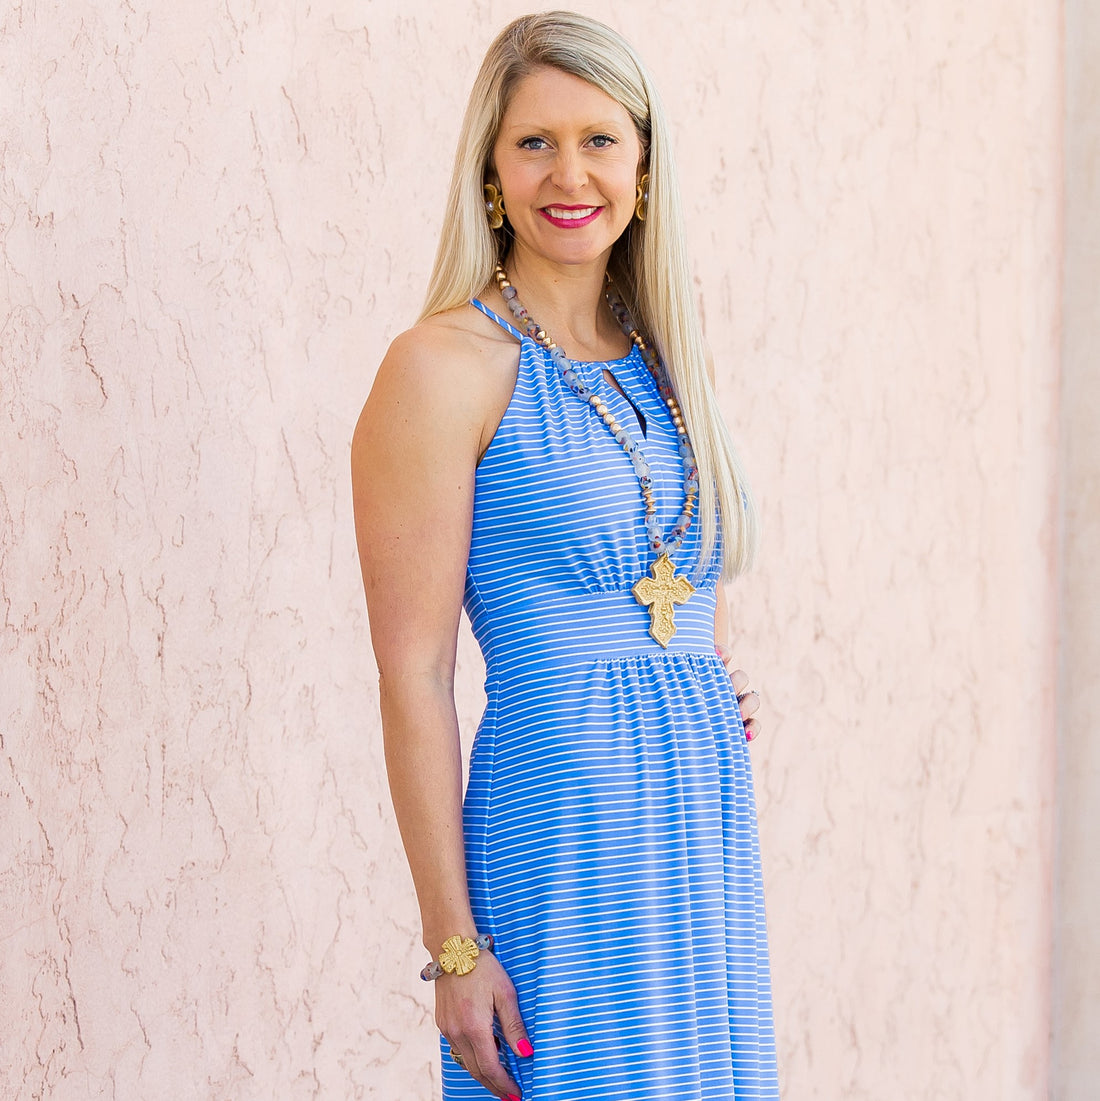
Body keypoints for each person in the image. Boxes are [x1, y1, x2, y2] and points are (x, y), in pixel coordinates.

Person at [352, 11, 778, 1100]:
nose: (568, 173)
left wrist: (701, 675)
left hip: (695, 823)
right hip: (563, 820)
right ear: (489, 168)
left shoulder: (670, 358)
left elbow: (681, 580)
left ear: (643, 160)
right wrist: (451, 945)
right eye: (533, 142)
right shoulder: (443, 366)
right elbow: (414, 674)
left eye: (598, 139)